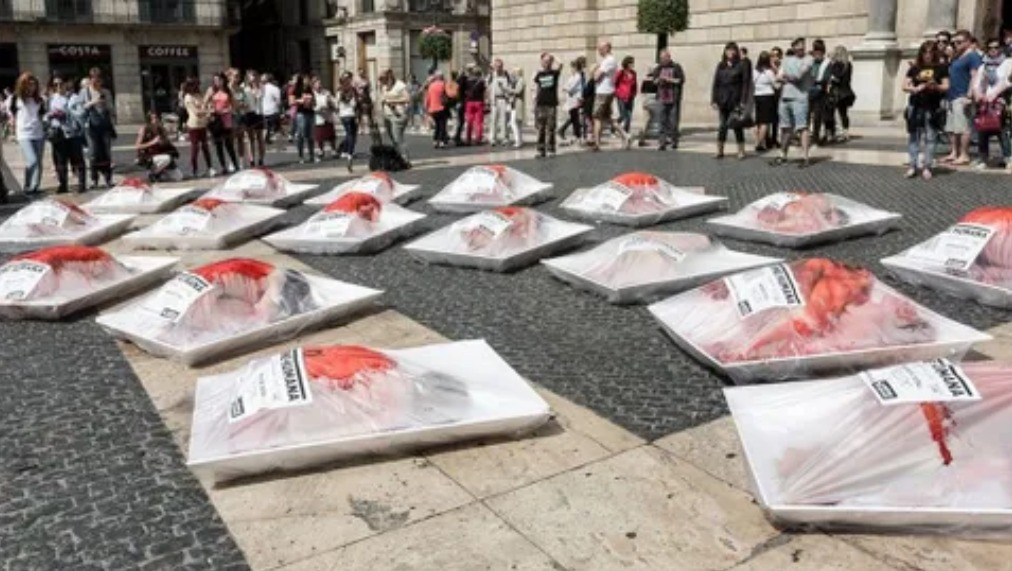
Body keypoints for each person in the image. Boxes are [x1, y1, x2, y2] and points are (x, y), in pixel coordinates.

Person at [904, 41, 950, 180]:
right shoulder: (915, 68)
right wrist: (914, 89)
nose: (927, 55)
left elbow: (946, 86)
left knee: (931, 137)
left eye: (930, 52)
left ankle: (927, 166)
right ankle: (912, 166)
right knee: (914, 136)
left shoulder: (941, 68)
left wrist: (935, 86)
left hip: (932, 106)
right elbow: (904, 85)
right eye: (925, 52)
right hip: (915, 105)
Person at [773, 37, 815, 168]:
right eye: (797, 45)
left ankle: (805, 157)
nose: (800, 47)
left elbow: (798, 76)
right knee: (785, 128)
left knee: (802, 127)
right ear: (793, 47)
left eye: (802, 45)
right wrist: (786, 77)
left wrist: (785, 76)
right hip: (785, 97)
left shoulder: (809, 59)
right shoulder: (786, 60)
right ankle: (782, 155)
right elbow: (777, 78)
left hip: (800, 97)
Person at [971, 38, 1012, 170]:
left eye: (996, 47)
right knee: (983, 130)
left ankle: (1008, 157)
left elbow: (1008, 81)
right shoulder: (983, 65)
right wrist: (978, 94)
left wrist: (995, 94)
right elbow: (977, 83)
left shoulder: (1008, 63)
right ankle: (983, 158)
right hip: (985, 102)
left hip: (1002, 100)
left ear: (1001, 48)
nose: (993, 50)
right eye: (990, 48)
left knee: (1002, 130)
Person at [942, 30, 982, 165]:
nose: (956, 45)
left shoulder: (973, 56)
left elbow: (975, 76)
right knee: (952, 127)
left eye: (959, 42)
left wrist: (970, 95)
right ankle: (954, 152)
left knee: (963, 127)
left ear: (968, 42)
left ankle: (964, 154)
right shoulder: (957, 56)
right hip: (952, 96)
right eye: (954, 42)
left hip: (962, 95)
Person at [45, 77, 87, 194]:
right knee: (60, 161)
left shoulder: (74, 98)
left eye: (60, 84)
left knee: (77, 159)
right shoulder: (51, 99)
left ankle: (82, 183)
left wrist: (66, 113)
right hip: (58, 133)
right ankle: (63, 184)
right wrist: (50, 115)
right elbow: (45, 115)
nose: (58, 87)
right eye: (55, 85)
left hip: (73, 133)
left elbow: (81, 113)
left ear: (66, 84)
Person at [711, 42, 750, 160]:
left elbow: (745, 84)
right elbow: (716, 83)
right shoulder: (721, 65)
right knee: (722, 126)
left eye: (733, 50)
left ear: (736, 52)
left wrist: (743, 100)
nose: (730, 52)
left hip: (735, 100)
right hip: (723, 99)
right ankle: (719, 150)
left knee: (737, 126)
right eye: (728, 50)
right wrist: (714, 99)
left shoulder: (741, 65)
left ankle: (741, 151)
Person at [10, 72, 46, 196]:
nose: (32, 87)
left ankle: (35, 186)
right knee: (32, 160)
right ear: (22, 85)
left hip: (38, 133)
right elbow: (12, 115)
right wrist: (12, 129)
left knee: (39, 162)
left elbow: (42, 115)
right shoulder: (15, 98)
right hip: (24, 134)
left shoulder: (39, 99)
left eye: (34, 84)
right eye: (29, 84)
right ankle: (27, 184)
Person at [590, 41, 631, 151]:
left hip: (603, 92)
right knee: (608, 118)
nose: (599, 50)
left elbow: (596, 77)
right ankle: (625, 135)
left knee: (596, 117)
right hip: (608, 91)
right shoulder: (608, 60)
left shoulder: (608, 61)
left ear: (607, 48)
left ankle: (597, 144)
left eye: (600, 48)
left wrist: (593, 70)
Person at [81, 67, 116, 188]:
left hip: (104, 125)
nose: (96, 82)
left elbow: (112, 109)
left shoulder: (106, 92)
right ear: (90, 79)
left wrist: (106, 104)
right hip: (91, 126)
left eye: (98, 80)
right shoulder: (85, 92)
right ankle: (94, 179)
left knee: (106, 152)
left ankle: (108, 178)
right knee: (93, 153)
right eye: (94, 79)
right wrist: (93, 102)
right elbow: (81, 108)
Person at [652, 48, 685, 151]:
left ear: (668, 57)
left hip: (673, 97)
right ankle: (662, 143)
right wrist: (658, 80)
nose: (662, 60)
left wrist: (669, 79)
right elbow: (654, 80)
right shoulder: (658, 68)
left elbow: (681, 80)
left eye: (664, 58)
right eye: (661, 58)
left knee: (673, 121)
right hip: (661, 97)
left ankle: (674, 141)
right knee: (661, 121)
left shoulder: (676, 67)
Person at [135, 111, 181, 182]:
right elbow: (138, 146)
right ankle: (153, 173)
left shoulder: (161, 129)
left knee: (178, 177)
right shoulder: (145, 129)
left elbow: (168, 144)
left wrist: (167, 141)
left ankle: (160, 174)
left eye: (156, 118)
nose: (155, 120)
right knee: (166, 158)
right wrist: (152, 142)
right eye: (153, 118)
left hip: (161, 155)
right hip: (149, 156)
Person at [532, 52, 562, 158]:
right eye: (545, 61)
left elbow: (561, 64)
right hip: (540, 103)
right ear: (541, 62)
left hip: (551, 104)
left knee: (551, 127)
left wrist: (553, 56)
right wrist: (534, 102)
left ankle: (551, 149)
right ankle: (540, 149)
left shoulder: (554, 73)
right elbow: (536, 88)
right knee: (540, 128)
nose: (546, 63)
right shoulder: (539, 74)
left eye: (548, 61)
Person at [207, 73, 239, 173]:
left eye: (219, 80)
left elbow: (235, 105)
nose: (217, 82)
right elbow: (204, 103)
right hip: (216, 120)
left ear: (223, 80)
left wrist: (229, 109)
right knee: (218, 145)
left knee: (229, 144)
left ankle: (235, 164)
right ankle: (223, 166)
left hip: (226, 119)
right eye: (215, 80)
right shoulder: (211, 90)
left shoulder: (228, 90)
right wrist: (210, 110)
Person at [182, 77, 214, 177]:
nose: (195, 87)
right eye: (193, 85)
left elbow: (204, 105)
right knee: (195, 148)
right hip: (194, 125)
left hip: (203, 124)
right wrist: (208, 111)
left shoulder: (198, 95)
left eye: (196, 85)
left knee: (205, 147)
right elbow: (196, 112)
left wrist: (208, 105)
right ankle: (194, 170)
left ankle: (210, 168)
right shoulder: (188, 97)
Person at [379, 69, 411, 164]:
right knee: (391, 139)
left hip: (398, 115)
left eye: (383, 79)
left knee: (398, 138)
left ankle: (405, 159)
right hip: (387, 115)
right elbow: (384, 99)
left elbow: (407, 98)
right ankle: (397, 158)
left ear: (389, 77)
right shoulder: (384, 87)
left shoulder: (400, 85)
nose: (382, 82)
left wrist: (393, 101)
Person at [828, 46, 855, 143]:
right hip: (846, 92)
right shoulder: (848, 65)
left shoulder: (836, 64)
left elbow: (836, 77)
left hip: (837, 92)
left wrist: (831, 76)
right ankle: (845, 132)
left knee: (831, 113)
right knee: (844, 113)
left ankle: (832, 133)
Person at [289, 74, 317, 164]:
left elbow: (315, 102)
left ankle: (312, 155)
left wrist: (311, 102)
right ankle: (301, 156)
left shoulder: (310, 90)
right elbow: (291, 102)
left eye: (308, 80)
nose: (307, 81)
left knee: (311, 135)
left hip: (310, 113)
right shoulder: (296, 89)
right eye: (306, 80)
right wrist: (301, 100)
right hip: (301, 113)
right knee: (301, 135)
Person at [558, 58, 587, 145]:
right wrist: (566, 88)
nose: (571, 69)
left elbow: (571, 88)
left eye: (572, 67)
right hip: (571, 100)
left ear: (575, 68)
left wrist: (566, 88)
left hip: (576, 99)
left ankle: (577, 135)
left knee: (575, 118)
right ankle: (575, 135)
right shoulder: (572, 76)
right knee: (574, 117)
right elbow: (566, 86)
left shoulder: (578, 76)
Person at [753, 51, 777, 152]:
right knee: (765, 122)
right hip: (767, 96)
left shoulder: (754, 71)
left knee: (757, 122)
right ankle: (759, 143)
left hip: (756, 96)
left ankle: (757, 141)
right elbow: (775, 84)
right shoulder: (769, 72)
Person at [243, 70, 266, 167]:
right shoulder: (244, 88)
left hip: (259, 113)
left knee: (260, 138)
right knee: (250, 138)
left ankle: (261, 158)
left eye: (254, 76)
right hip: (249, 113)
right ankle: (251, 159)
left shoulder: (261, 87)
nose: (253, 78)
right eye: (251, 76)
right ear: (247, 78)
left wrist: (256, 87)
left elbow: (260, 96)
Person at [312, 76, 339, 159]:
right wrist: (318, 108)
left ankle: (333, 150)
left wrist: (332, 104)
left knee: (331, 135)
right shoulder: (312, 94)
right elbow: (311, 106)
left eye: (320, 83)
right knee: (320, 135)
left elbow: (333, 101)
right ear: (313, 85)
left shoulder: (326, 92)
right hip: (319, 116)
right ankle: (320, 150)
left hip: (328, 115)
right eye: (317, 84)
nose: (319, 85)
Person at [488, 59, 512, 146]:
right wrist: (490, 99)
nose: (498, 68)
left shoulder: (506, 75)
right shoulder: (492, 75)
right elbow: (488, 87)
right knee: (493, 120)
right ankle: (492, 138)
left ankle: (504, 138)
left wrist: (508, 97)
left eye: (500, 66)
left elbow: (509, 86)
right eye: (497, 66)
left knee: (504, 119)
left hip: (503, 99)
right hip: (495, 99)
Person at [336, 74, 358, 159]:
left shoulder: (339, 91)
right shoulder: (351, 91)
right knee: (352, 134)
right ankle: (350, 152)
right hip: (350, 114)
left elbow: (337, 103)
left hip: (343, 115)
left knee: (349, 133)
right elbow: (354, 104)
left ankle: (344, 150)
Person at [426, 70, 450, 148]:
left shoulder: (431, 86)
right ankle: (442, 141)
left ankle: (435, 140)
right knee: (442, 125)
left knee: (437, 125)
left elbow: (428, 98)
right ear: (441, 77)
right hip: (442, 107)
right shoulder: (444, 84)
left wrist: (427, 107)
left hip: (433, 108)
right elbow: (449, 94)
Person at [615, 56, 638, 134]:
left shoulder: (634, 73)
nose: (633, 64)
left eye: (633, 63)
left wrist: (634, 93)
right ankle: (614, 126)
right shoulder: (621, 73)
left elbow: (635, 84)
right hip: (621, 96)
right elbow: (615, 82)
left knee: (629, 116)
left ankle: (626, 132)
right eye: (631, 63)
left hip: (630, 96)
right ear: (627, 64)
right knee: (623, 115)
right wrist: (617, 92)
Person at [463, 67, 486, 145]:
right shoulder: (481, 82)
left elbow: (464, 91)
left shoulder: (467, 81)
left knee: (469, 121)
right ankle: (478, 139)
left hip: (469, 102)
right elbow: (483, 92)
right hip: (479, 102)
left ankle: (468, 139)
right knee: (479, 122)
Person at [261, 73, 283, 149]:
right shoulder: (276, 89)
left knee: (265, 127)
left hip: (263, 110)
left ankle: (265, 140)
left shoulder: (261, 88)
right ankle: (270, 141)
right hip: (273, 110)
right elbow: (278, 101)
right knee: (275, 128)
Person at [507, 67, 525, 148]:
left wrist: (508, 89)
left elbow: (518, 91)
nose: (513, 74)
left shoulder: (521, 80)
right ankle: (519, 140)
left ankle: (518, 141)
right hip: (514, 104)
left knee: (513, 123)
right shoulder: (517, 81)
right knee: (517, 123)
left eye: (514, 72)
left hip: (518, 104)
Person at [354, 69, 372, 135]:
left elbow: (370, 88)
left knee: (365, 113)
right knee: (358, 114)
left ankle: (366, 128)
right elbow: (353, 88)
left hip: (365, 98)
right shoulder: (355, 79)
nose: (361, 73)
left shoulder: (366, 79)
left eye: (362, 72)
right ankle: (360, 128)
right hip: (357, 98)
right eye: (360, 72)